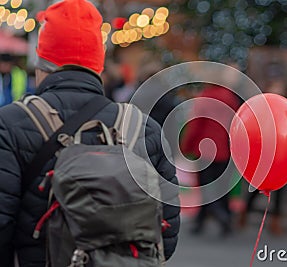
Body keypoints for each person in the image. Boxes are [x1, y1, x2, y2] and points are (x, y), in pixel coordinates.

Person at [0, 0, 180, 266]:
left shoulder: (11, 123)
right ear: (98, 65)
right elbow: (167, 232)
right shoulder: (142, 128)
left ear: (42, 63)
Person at [180, 84, 241, 236]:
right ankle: (213, 220)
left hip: (206, 150)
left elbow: (195, 125)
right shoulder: (230, 98)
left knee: (206, 187)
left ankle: (219, 215)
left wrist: (186, 147)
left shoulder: (204, 98)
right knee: (222, 188)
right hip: (225, 149)